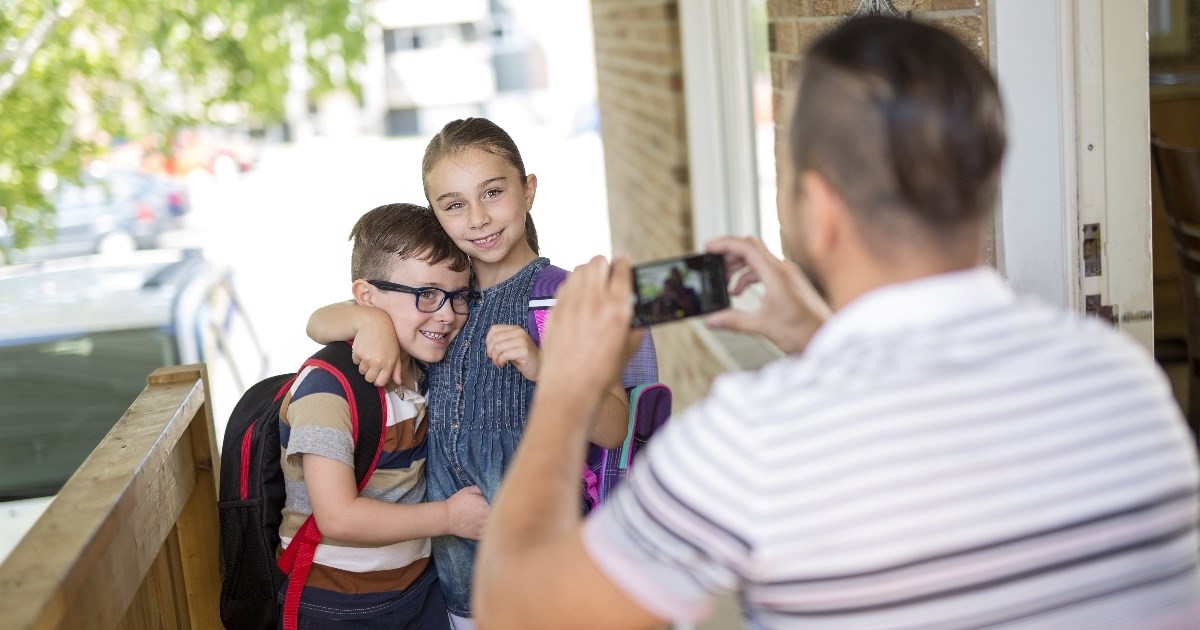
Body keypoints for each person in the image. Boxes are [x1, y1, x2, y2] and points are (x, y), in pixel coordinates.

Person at [472, 15, 1200, 630]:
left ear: (818, 212)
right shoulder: (1128, 380)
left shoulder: (753, 441)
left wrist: (566, 386)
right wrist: (814, 337)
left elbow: (515, 610)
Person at [305, 118, 630, 628]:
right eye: (454, 204)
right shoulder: (443, 302)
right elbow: (318, 321)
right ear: (437, 214)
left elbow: (613, 427)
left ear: (528, 191)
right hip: (457, 588)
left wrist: (545, 368)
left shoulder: (561, 300)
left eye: (493, 193)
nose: (477, 218)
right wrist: (366, 319)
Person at [278, 203, 490, 628]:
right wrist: (448, 517)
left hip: (417, 589)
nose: (446, 314)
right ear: (367, 299)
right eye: (426, 294)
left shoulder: (428, 368)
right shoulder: (329, 389)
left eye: (458, 296)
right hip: (334, 604)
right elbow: (338, 516)